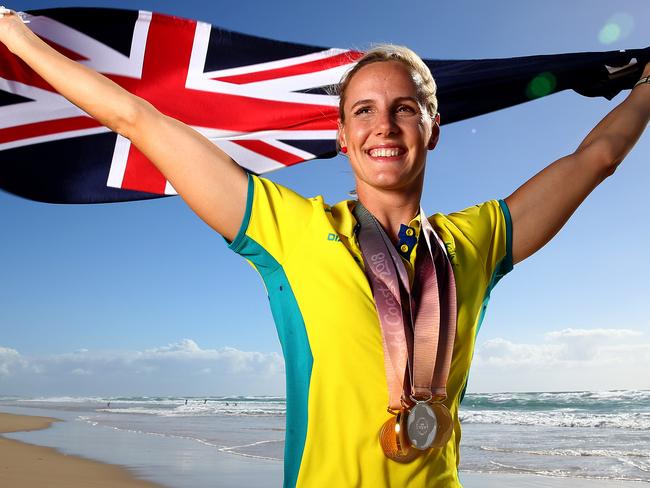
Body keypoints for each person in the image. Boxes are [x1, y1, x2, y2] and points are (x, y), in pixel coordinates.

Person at [1, 8, 648, 488]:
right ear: (341, 136)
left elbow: (596, 159)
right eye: (363, 111)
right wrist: (18, 38)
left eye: (405, 108)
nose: (384, 126)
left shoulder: (475, 241)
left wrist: (645, 86)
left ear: (433, 128)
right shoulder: (287, 226)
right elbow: (139, 119)